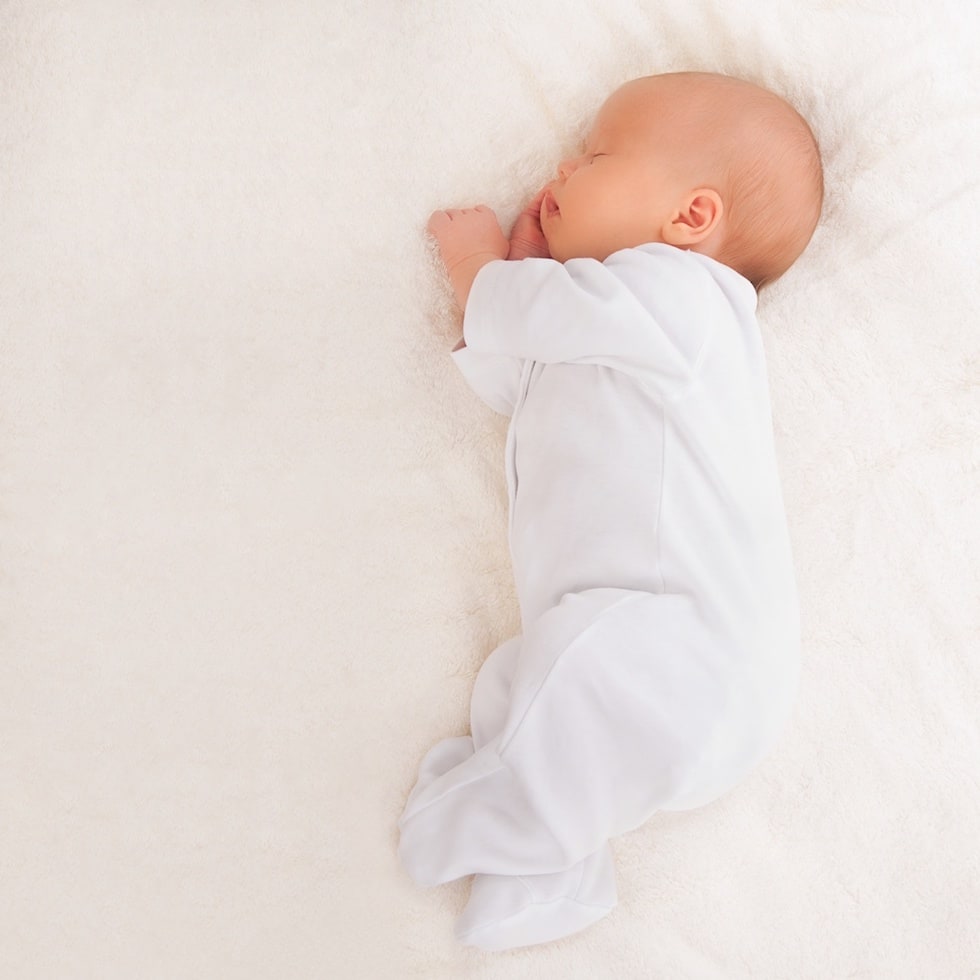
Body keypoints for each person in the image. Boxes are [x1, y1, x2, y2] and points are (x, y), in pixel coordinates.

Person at [398, 71, 823, 952]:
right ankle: (548, 876)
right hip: (656, 658)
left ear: (691, 219)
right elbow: (520, 377)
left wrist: (480, 271)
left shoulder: (686, 300)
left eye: (595, 155)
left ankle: (493, 824)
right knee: (529, 689)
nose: (562, 166)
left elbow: (519, 317)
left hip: (683, 649)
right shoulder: (619, 325)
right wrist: (502, 308)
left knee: (567, 689)